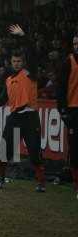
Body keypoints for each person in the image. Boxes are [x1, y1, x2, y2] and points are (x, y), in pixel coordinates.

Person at [0, 24, 46, 192]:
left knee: (34, 152)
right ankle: (1, 178)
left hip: (30, 118)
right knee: (5, 150)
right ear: (11, 63)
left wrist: (23, 35)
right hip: (14, 118)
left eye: (19, 61)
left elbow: (32, 53)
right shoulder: (9, 79)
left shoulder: (30, 73)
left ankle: (41, 183)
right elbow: (4, 98)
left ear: (23, 62)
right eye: (14, 61)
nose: (17, 63)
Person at [57, 33, 78, 199]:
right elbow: (60, 88)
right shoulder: (67, 62)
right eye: (75, 43)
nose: (76, 45)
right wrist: (63, 111)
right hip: (73, 111)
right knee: (75, 149)